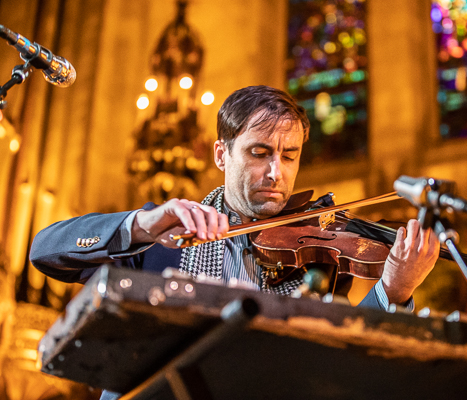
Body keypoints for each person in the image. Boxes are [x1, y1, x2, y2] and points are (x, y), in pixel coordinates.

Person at [30, 85, 439, 399]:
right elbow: (45, 251)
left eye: (290, 155)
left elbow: (339, 357)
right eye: (259, 153)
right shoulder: (161, 235)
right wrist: (139, 225)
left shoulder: (317, 257)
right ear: (221, 155)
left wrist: (393, 290)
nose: (276, 172)